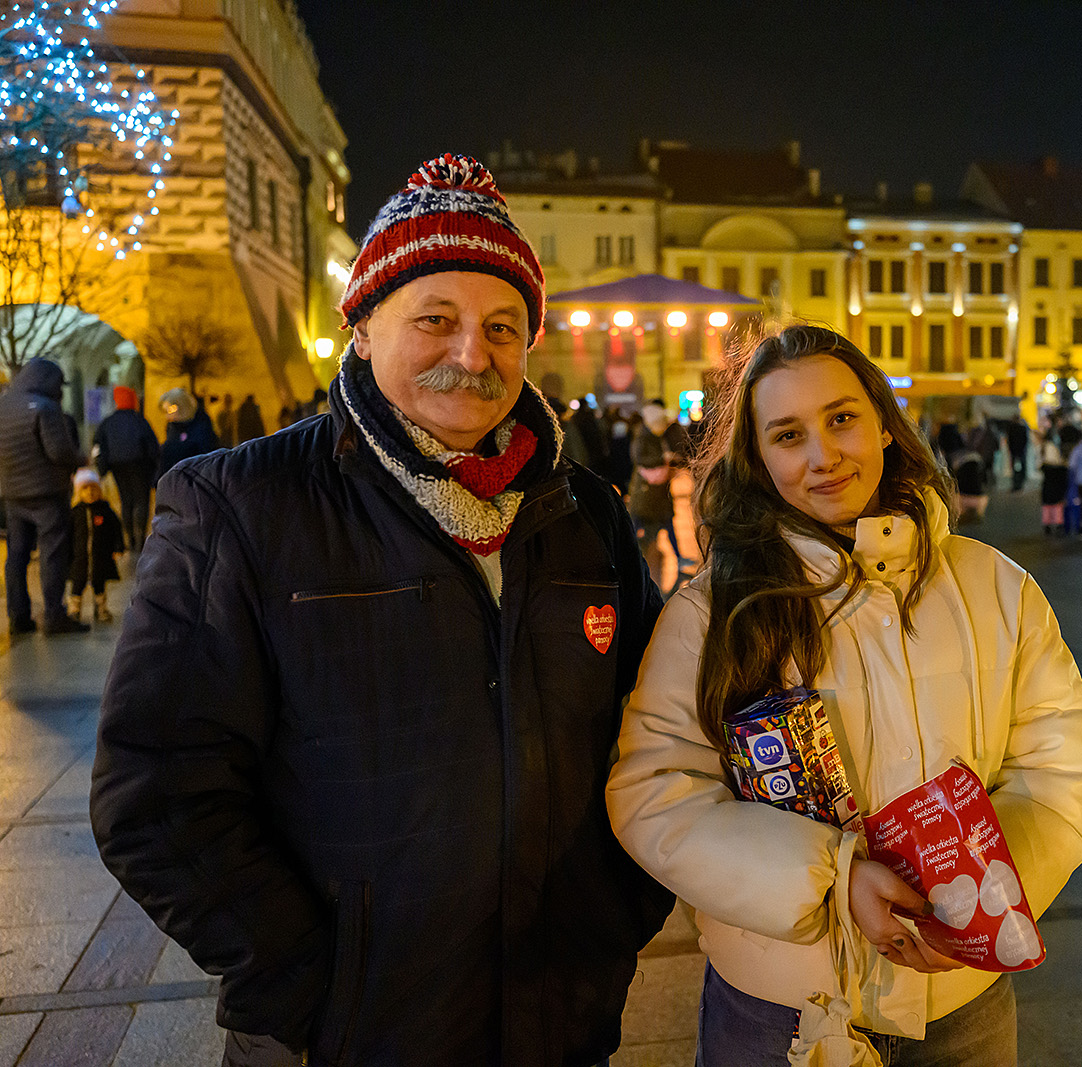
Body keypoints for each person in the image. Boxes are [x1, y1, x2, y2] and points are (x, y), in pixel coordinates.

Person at [91, 154, 674, 1067]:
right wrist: (306, 984)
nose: (472, 354)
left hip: (557, 1022)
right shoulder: (241, 506)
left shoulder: (585, 513)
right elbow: (157, 789)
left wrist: (610, 922)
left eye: (502, 327)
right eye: (435, 319)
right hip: (346, 1037)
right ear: (362, 328)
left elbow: (658, 735)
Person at [605, 324, 1082, 1067]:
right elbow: (654, 791)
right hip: (781, 1018)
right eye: (788, 434)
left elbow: (1057, 767)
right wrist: (833, 881)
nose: (823, 455)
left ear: (883, 423)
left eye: (841, 418)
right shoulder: (711, 613)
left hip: (961, 1007)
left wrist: (978, 902)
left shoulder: (995, 587)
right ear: (758, 457)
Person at [0, 357, 89, 635]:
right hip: (47, 493)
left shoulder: (3, 406)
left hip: (13, 494)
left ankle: (18, 616)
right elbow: (59, 452)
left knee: (16, 555)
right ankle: (53, 616)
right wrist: (81, 459)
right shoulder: (45, 408)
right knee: (52, 554)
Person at [92, 385, 159, 551]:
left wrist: (102, 468)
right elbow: (152, 446)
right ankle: (140, 539)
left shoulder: (108, 422)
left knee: (126, 501)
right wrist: (155, 468)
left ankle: (130, 538)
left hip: (117, 467)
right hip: (140, 466)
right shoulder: (139, 421)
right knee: (141, 501)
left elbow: (98, 446)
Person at [629, 400, 688, 576]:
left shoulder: (654, 436)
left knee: (665, 525)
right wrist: (663, 458)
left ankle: (677, 558)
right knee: (641, 528)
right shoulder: (643, 437)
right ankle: (634, 564)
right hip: (647, 492)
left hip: (657, 493)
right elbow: (640, 459)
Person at [67, 468, 123, 623]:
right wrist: (67, 553)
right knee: (77, 584)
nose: (90, 492)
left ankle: (101, 609)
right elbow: (68, 535)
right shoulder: (75, 513)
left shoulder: (105, 510)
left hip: (101, 557)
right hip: (80, 558)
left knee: (100, 584)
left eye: (93, 488)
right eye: (85, 489)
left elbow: (116, 529)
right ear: (79, 492)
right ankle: (75, 609)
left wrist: (118, 547)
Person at [155, 387, 221, 479]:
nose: (168, 416)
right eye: (165, 411)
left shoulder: (201, 425)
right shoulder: (173, 427)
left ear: (183, 407)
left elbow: (204, 452)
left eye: (171, 410)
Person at [1038, 417, 1069, 535]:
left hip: (1048, 476)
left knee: (1048, 502)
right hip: (1055, 474)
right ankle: (1057, 523)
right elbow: (1056, 461)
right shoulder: (1052, 447)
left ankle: (1048, 523)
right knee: (1056, 501)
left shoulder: (1044, 447)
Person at [1005, 415, 1029, 491]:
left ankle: (1015, 484)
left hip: (1014, 451)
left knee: (1015, 469)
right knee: (1021, 468)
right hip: (1021, 451)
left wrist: (1010, 449)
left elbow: (1009, 441)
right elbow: (1025, 440)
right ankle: (1020, 483)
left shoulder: (1011, 428)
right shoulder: (1022, 428)